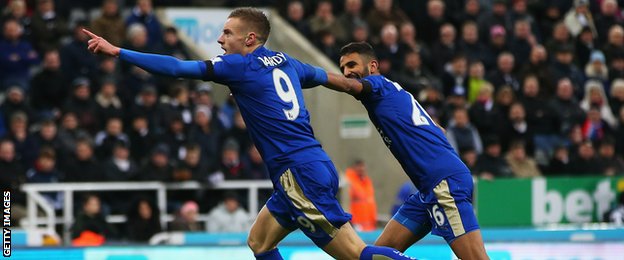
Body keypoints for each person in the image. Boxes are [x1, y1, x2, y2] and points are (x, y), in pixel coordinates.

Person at [83, 8, 414, 260]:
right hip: (311, 165)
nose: (220, 40)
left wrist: (119, 52)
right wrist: (366, 87)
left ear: (249, 39)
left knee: (356, 254)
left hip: (297, 174)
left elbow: (178, 68)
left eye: (227, 33)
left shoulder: (238, 65)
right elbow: (328, 78)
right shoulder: (287, 62)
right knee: (259, 241)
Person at [316, 42, 488, 259]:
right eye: (343, 69)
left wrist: (307, 73)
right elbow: (439, 129)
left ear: (373, 66)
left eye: (352, 64)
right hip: (428, 190)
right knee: (379, 256)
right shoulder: (393, 92)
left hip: (444, 184)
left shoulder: (375, 84)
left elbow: (350, 86)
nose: (347, 72)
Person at [345, 160, 377, 232]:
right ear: (354, 167)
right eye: (359, 166)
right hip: (356, 225)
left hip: (369, 226)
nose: (361, 169)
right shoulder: (349, 181)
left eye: (363, 166)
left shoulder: (367, 181)